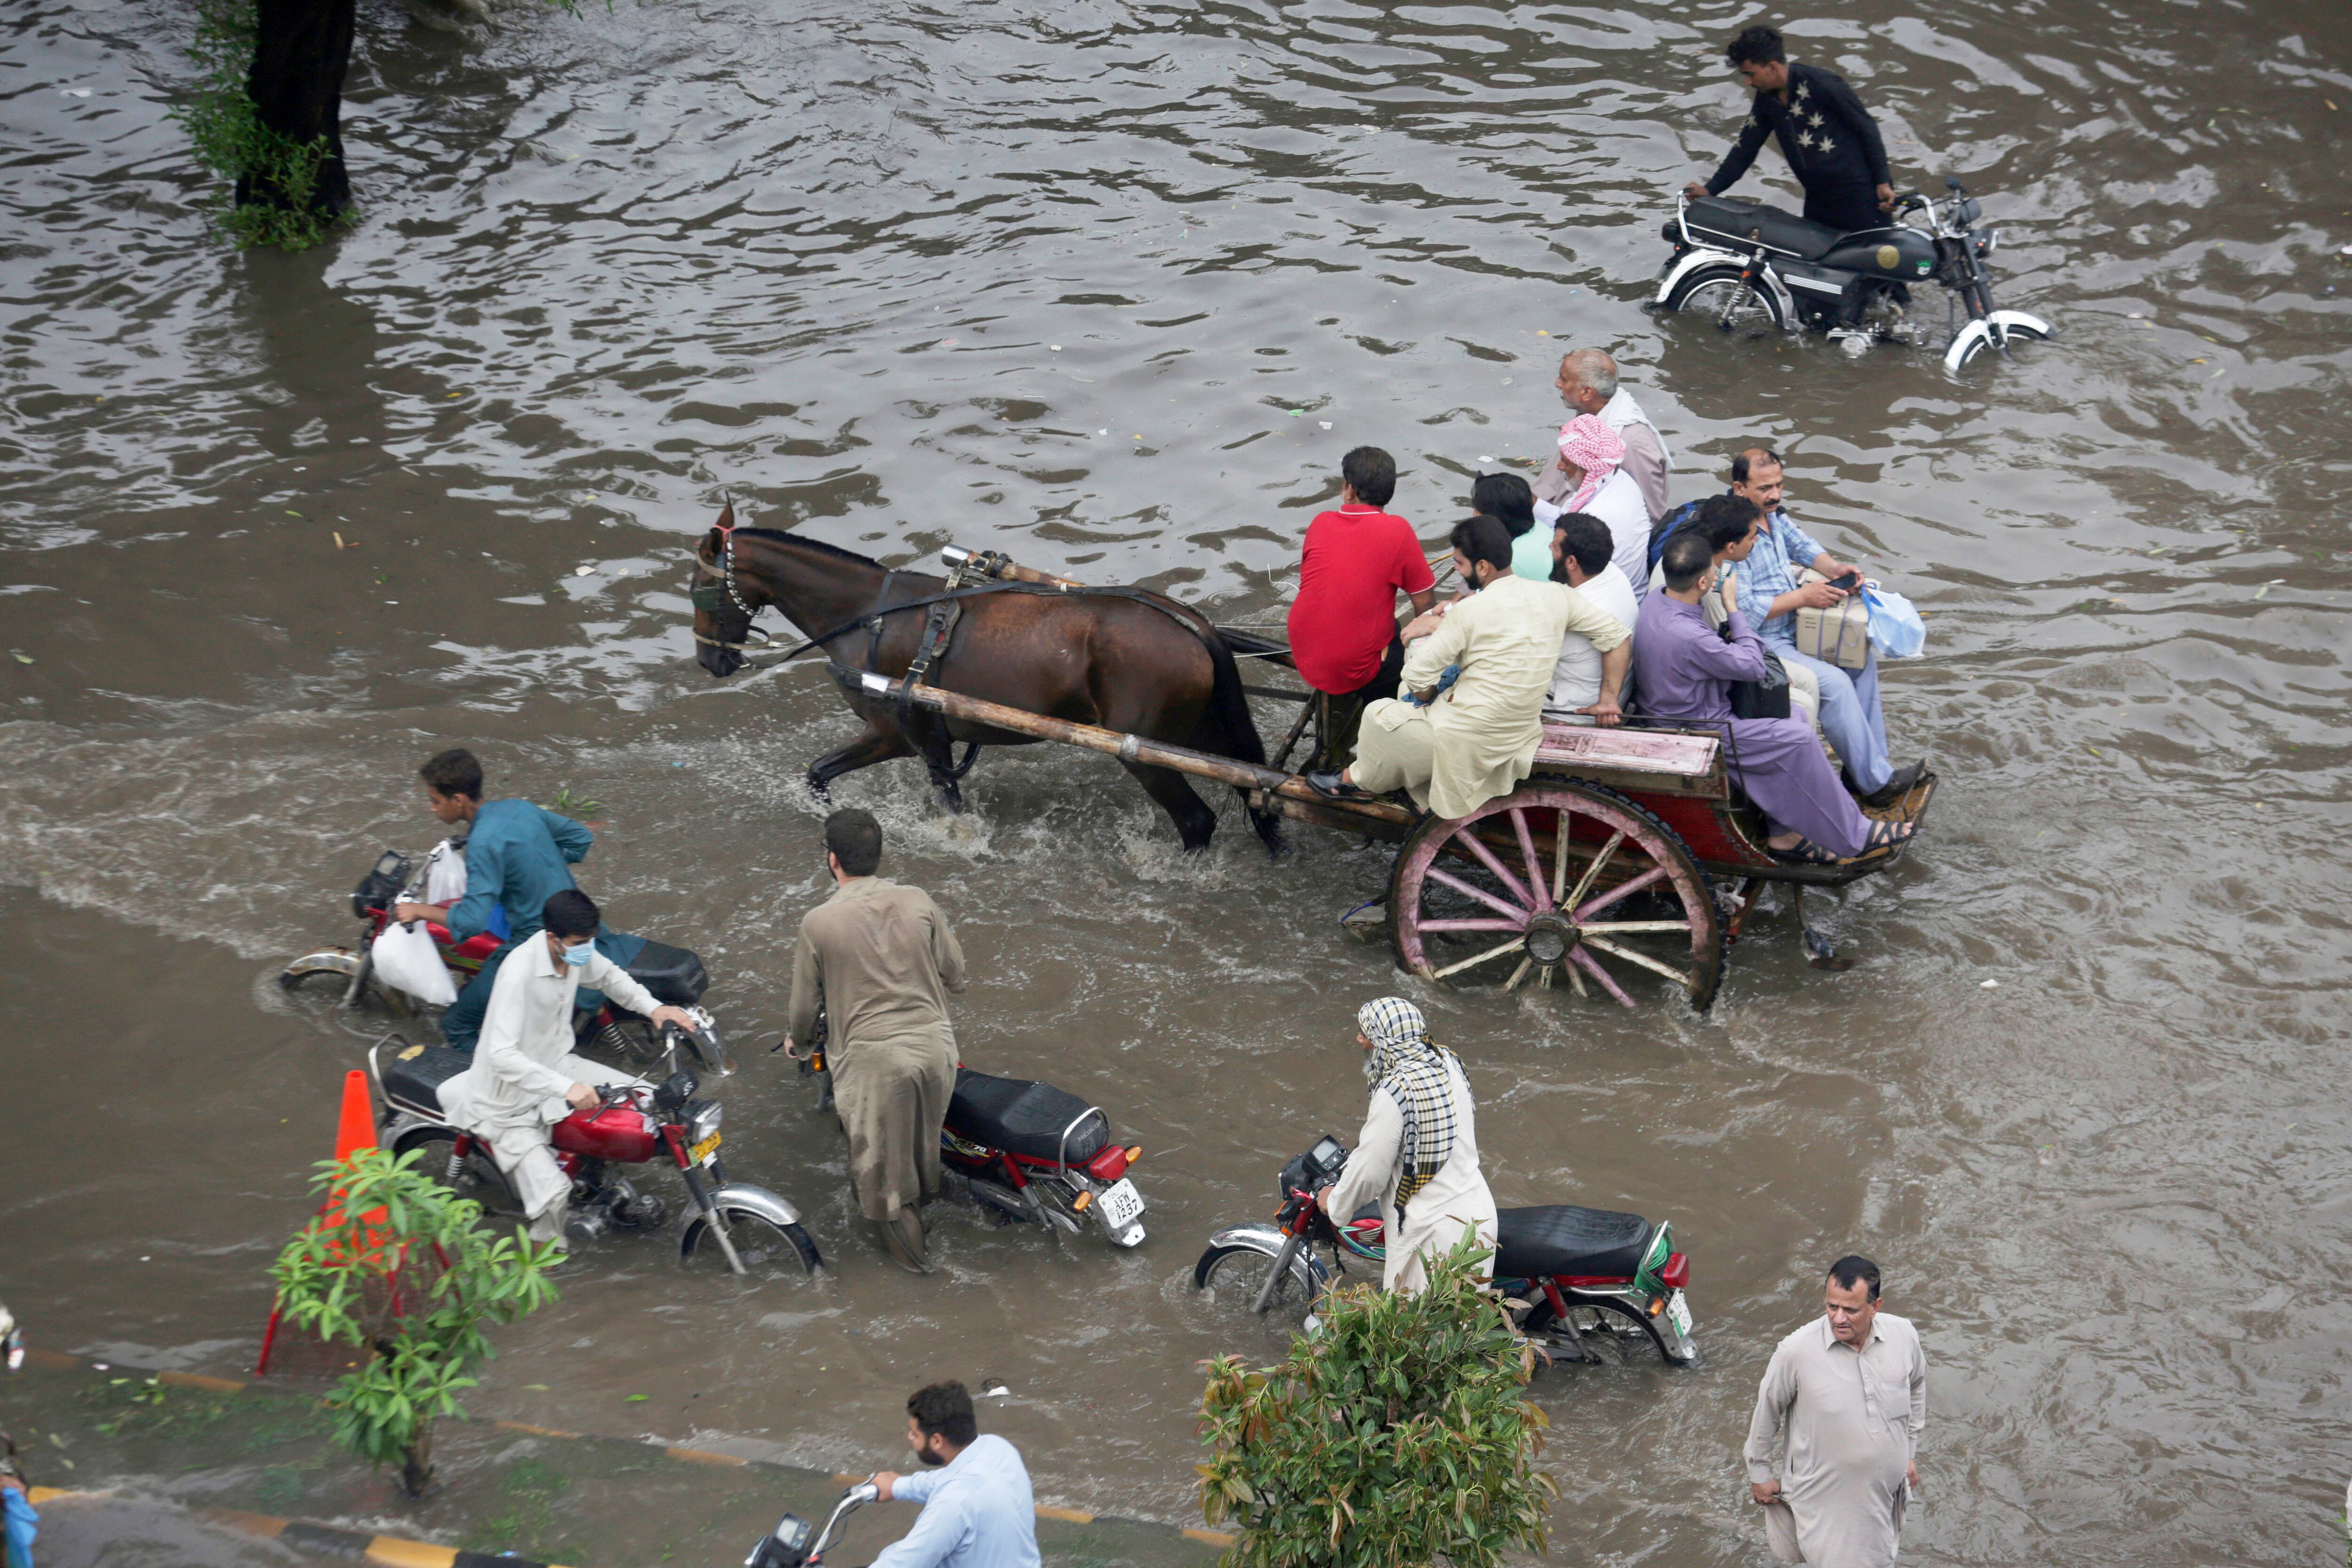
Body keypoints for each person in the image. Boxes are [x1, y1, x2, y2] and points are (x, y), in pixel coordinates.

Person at [1305, 516, 1629, 819]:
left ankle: (1356, 779)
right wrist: (1609, 699)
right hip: (1520, 729)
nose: (1457, 569)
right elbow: (1617, 637)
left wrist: (1426, 697)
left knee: (1379, 714)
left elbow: (1418, 675)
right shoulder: (1557, 596)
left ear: (1483, 567)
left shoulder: (1467, 612)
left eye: (1460, 563)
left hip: (1467, 737)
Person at [435, 889, 694, 1251]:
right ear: (552, 938)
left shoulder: (575, 954)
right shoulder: (518, 973)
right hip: (507, 1100)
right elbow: (500, 1055)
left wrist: (654, 1008)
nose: (587, 949)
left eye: (590, 941)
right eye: (579, 943)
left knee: (652, 1102)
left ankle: (600, 1176)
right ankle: (545, 1253)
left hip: (558, 1064)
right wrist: (566, 1088)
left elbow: (610, 978)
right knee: (554, 1194)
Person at [1634, 534, 1911, 864]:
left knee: (1791, 712)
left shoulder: (1656, 602)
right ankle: (1857, 834)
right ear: (1704, 582)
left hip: (1689, 707)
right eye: (1713, 572)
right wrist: (1733, 607)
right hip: (1700, 727)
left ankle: (1784, 835)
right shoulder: (1689, 635)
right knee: (1799, 737)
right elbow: (1753, 666)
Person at [785, 809, 968, 1274]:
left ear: (832, 860)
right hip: (937, 1050)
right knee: (925, 1153)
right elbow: (955, 971)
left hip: (875, 1064)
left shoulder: (818, 922)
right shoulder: (917, 899)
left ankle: (921, 1282)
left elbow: (804, 1009)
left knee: (889, 1192)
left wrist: (800, 1044)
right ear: (879, 854)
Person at [392, 748, 646, 1054]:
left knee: (457, 1023)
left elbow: (471, 921)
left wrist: (420, 910)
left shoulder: (483, 844)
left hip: (537, 941)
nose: (432, 808)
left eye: (435, 801)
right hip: (574, 919)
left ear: (458, 800)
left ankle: (496, 1078)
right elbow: (580, 837)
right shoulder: (519, 808)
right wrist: (540, 865)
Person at [1724, 450, 1922, 807]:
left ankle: (1866, 768)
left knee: (1859, 661)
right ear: (1740, 488)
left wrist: (1834, 569)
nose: (1775, 495)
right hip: (1763, 642)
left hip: (1794, 625)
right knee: (1836, 684)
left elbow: (1801, 544)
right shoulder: (1734, 534)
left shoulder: (1771, 515)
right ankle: (1877, 785)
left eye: (1779, 485)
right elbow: (1746, 613)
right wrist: (1804, 596)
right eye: (1765, 488)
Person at [1745, 1255, 1925, 1568]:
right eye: (1832, 1306)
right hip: (1825, 1498)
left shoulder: (1904, 1335)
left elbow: (1917, 1387)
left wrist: (1908, 1453)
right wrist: (1759, 1473)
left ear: (1876, 1306)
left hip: (1886, 1495)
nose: (1839, 1318)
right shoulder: (1797, 1351)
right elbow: (1767, 1412)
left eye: (1851, 1310)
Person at [1319, 999, 1495, 1295]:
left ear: (1383, 1040)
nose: (1360, 1039)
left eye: (1366, 1032)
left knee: (1415, 1322)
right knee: (1465, 1320)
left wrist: (1333, 1202)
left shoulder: (1396, 1090)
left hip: (1434, 1235)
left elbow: (1370, 1173)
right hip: (1477, 1216)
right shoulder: (1447, 1061)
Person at [1285, 446, 1439, 771]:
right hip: (1350, 665)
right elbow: (1425, 605)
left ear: (1349, 489)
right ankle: (1380, 731)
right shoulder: (1398, 530)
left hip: (1304, 650)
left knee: (1387, 629)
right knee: (1403, 652)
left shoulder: (1320, 522)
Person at [1684, 24, 1896, 237]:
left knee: (1873, 256)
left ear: (1772, 67)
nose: (1748, 82)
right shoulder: (1767, 99)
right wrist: (1711, 189)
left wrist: (1883, 181)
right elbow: (1745, 148)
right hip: (1817, 202)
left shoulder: (1824, 84)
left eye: (1750, 74)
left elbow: (1867, 128)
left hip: (1861, 199)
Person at [869, 1381, 1040, 1568]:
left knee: (891, 1554)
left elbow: (905, 1562)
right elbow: (948, 1479)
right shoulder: (999, 1448)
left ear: (937, 1441)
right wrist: (897, 1486)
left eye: (915, 1433)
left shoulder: (952, 1504)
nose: (909, 1436)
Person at [1696, 494, 1823, 738]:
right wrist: (1771, 672)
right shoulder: (1711, 589)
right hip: (1725, 670)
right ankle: (1797, 747)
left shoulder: (1725, 564)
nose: (1756, 541)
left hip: (1742, 650)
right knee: (1803, 703)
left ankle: (1807, 751)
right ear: (1731, 547)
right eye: (1752, 537)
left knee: (1808, 680)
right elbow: (1728, 646)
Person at [1541, 350, 1672, 524]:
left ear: (1587, 393)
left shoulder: (1632, 443)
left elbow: (1651, 516)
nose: (1557, 384)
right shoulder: (1589, 417)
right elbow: (1551, 483)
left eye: (1564, 379)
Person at [1532, 415, 1649, 599]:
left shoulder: (1595, 515)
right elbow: (1563, 517)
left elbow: (1575, 568)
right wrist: (1530, 502)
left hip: (1604, 597)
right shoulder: (1619, 479)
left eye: (1565, 462)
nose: (1559, 467)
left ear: (1585, 469)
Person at [1544, 512, 1638, 716]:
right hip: (1613, 697)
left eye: (1555, 547)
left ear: (1571, 562)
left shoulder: (1576, 608)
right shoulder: (1611, 571)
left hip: (1572, 713)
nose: (1550, 548)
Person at [1470, 471, 1550, 582]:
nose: (1474, 514)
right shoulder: (1539, 525)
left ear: (1495, 517)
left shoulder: (1509, 564)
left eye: (1477, 509)